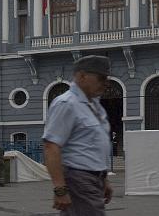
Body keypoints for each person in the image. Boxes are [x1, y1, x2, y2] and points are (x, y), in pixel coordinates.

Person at [43, 55, 113, 215]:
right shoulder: (66, 104)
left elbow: (93, 147)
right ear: (82, 76)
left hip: (93, 179)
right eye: (101, 78)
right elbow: (51, 146)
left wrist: (104, 179)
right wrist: (60, 189)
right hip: (79, 180)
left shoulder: (94, 105)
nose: (106, 84)